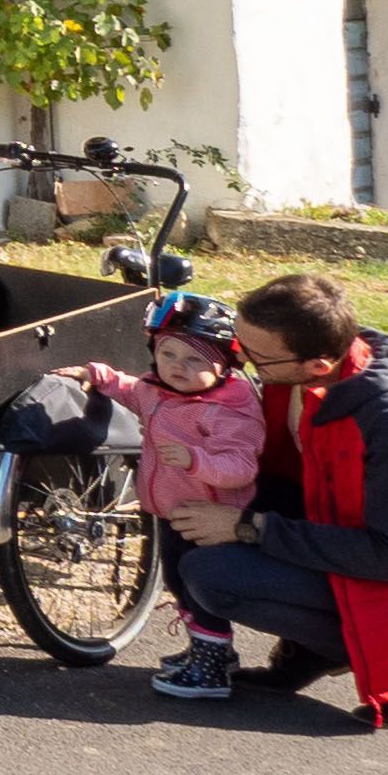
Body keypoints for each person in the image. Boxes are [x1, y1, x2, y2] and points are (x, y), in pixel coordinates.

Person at [159, 268, 388, 723]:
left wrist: (247, 527)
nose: (239, 361)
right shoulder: (303, 376)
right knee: (182, 512)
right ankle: (307, 647)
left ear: (317, 365)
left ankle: (357, 657)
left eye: (255, 357)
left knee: (211, 572)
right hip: (332, 537)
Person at [55, 291, 264, 705]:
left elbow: (242, 466)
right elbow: (129, 388)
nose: (177, 368)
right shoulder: (158, 390)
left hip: (211, 517)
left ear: (225, 367)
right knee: (178, 583)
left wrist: (196, 460)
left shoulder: (228, 410)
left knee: (199, 586)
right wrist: (95, 374)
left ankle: (211, 671)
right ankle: (211, 651)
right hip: (170, 512)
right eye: (168, 354)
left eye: (195, 361)